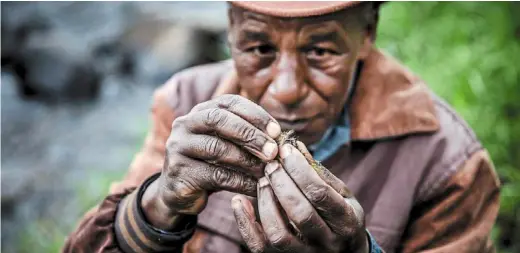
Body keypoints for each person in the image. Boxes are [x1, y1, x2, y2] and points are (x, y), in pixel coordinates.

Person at [62, 1, 501, 253]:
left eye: (321, 50)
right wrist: (156, 205)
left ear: (367, 31)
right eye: (259, 47)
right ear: (230, 31)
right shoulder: (184, 105)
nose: (287, 90)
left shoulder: (447, 162)